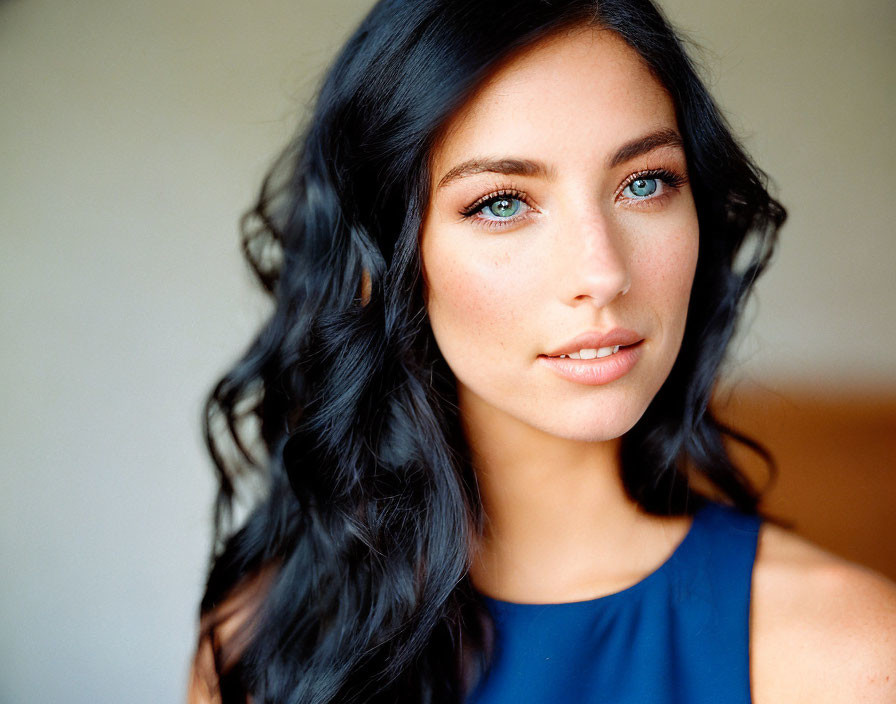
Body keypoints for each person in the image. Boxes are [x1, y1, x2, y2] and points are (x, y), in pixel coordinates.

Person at [187, 1, 896, 702]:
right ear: (378, 258)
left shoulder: (854, 655)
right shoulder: (265, 646)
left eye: (644, 183)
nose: (603, 273)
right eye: (502, 202)